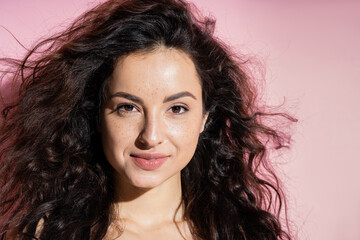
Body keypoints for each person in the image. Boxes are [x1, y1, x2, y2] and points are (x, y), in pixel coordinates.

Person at [0, 0, 295, 239]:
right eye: (128, 107)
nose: (151, 136)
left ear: (206, 117)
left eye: (177, 109)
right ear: (97, 114)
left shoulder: (242, 234)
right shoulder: (44, 235)